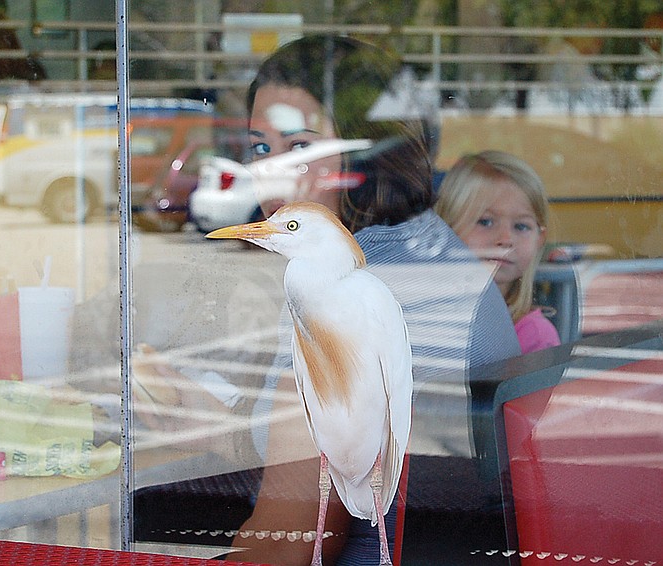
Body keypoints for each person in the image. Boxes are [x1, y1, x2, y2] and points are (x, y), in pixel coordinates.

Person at [229, 36, 521, 565]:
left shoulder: (351, 291)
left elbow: (286, 545)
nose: (272, 172)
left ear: (369, 153)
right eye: (260, 148)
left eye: (300, 148)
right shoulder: (425, 249)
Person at [435, 150, 560, 354]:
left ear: (540, 239)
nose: (505, 239)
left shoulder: (535, 337)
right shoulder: (426, 318)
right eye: (485, 222)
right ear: (446, 228)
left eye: (521, 226)